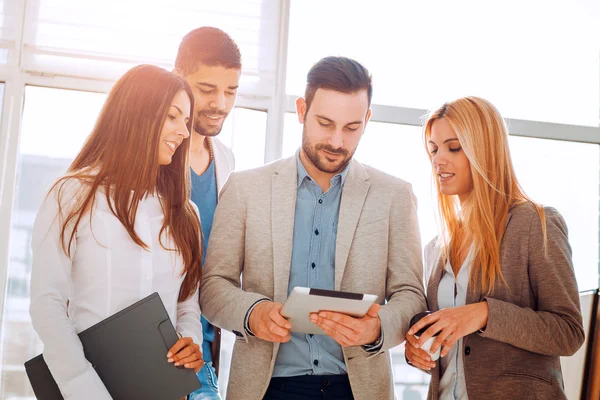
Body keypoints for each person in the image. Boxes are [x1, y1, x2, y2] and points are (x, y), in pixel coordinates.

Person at [200, 56, 426, 400]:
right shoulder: (246, 189)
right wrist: (253, 313)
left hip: (357, 388)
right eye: (325, 123)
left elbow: (411, 295)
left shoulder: (394, 196)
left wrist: (377, 327)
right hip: (266, 388)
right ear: (302, 110)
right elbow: (213, 287)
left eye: (351, 128)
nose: (337, 141)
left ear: (367, 120)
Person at [29, 65, 204, 400]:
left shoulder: (185, 214)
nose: (184, 132)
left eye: (186, 121)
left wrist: (189, 341)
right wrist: (83, 387)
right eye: (173, 116)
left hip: (164, 391)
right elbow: (46, 304)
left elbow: (186, 305)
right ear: (137, 115)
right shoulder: (71, 196)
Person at [405, 96, 585, 399]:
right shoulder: (436, 248)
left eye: (454, 147)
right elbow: (458, 355)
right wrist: (418, 352)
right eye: (433, 149)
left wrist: (485, 314)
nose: (438, 160)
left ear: (484, 150)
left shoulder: (534, 224)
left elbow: (568, 332)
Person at [174, 26, 240, 399]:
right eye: (207, 89)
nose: (220, 103)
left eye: (230, 91)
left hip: (205, 350)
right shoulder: (157, 155)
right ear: (178, 80)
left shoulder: (226, 161)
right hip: (156, 342)